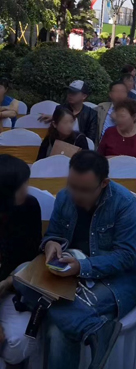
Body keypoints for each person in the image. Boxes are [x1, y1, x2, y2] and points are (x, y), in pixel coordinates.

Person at [42, 151, 136, 369]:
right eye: (72, 186)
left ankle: (97, 331)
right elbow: (53, 235)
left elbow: (126, 256)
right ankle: (97, 330)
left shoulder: (124, 202)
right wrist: (51, 243)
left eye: (84, 190)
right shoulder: (64, 197)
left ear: (104, 183)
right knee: (23, 280)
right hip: (70, 276)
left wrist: (83, 266)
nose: (75, 195)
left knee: (55, 324)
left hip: (114, 281)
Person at [0, 155, 41, 367]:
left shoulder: (29, 206)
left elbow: (31, 257)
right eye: (23, 184)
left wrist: (8, 281)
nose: (28, 188)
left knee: (16, 342)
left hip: (13, 285)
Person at [98, 98, 136, 167]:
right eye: (117, 116)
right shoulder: (109, 132)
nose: (119, 120)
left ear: (134, 117)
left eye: (122, 116)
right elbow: (98, 157)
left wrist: (130, 162)